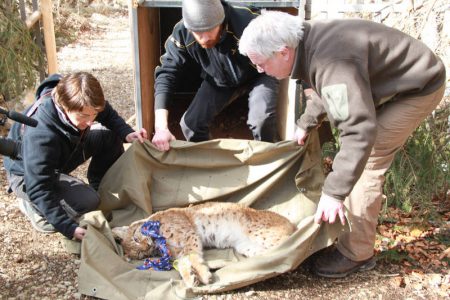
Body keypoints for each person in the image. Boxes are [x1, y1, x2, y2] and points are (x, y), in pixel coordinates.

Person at [239, 11, 446, 277]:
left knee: (369, 157)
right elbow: (332, 88)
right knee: (355, 154)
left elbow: (359, 129)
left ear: (283, 52)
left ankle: (356, 253)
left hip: (418, 87)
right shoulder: (307, 41)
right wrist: (306, 121)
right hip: (391, 81)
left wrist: (334, 192)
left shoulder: (330, 60)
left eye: (260, 64)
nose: (260, 70)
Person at [3, 72, 148, 241]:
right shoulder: (40, 134)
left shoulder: (79, 99)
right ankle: (33, 209)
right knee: (88, 202)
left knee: (111, 137)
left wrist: (127, 133)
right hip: (26, 175)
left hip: (61, 153)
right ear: (64, 106)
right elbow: (38, 187)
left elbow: (106, 113)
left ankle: (99, 187)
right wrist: (67, 228)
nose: (90, 121)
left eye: (93, 115)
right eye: (84, 116)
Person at [151, 0, 280, 151]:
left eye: (210, 29)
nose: (205, 38)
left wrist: (307, 87)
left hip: (259, 74)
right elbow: (166, 73)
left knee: (261, 120)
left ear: (222, 20)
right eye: (198, 32)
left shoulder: (248, 22)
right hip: (220, 78)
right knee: (190, 125)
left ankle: (269, 159)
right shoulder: (182, 33)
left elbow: (287, 48)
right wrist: (160, 127)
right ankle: (212, 165)